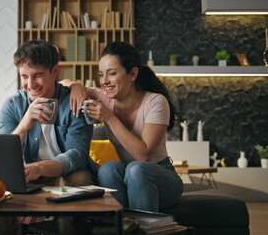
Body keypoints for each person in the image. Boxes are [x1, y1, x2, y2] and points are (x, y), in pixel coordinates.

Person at [62, 41, 183, 212]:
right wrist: (76, 86)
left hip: (160, 177)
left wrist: (110, 118)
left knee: (136, 168)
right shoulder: (104, 97)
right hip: (128, 174)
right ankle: (118, 227)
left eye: (112, 74)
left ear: (133, 74)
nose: (104, 81)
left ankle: (144, 229)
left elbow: (143, 156)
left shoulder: (155, 101)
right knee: (108, 168)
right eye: (101, 74)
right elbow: (62, 83)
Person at [0, 39, 97, 187]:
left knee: (80, 178)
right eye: (24, 76)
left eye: (37, 75)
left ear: (55, 71)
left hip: (63, 174)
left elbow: (78, 155)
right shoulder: (12, 105)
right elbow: (0, 154)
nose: (30, 84)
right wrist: (24, 125)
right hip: (26, 174)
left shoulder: (74, 102)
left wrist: (40, 168)